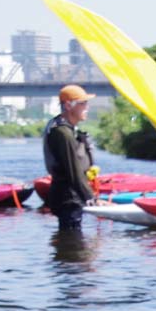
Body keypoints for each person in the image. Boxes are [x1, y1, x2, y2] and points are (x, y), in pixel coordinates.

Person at [42, 84, 97, 232]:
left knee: (71, 241)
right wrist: (90, 198)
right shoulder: (62, 133)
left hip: (71, 196)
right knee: (73, 240)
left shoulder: (69, 130)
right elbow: (74, 171)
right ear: (68, 105)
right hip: (68, 198)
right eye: (82, 103)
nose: (87, 107)